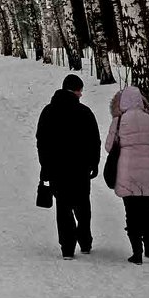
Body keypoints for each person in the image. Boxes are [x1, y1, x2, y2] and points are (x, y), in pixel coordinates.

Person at [36, 74, 101, 260]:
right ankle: (85, 242)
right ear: (77, 90)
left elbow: (42, 141)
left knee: (63, 207)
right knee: (82, 205)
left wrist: (45, 165)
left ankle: (67, 248)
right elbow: (93, 141)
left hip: (57, 168)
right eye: (81, 91)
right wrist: (94, 163)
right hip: (80, 168)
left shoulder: (48, 112)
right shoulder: (85, 112)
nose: (81, 95)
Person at [105, 85, 149, 265]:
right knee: (148, 209)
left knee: (131, 213)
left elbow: (109, 147)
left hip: (127, 171)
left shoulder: (119, 120)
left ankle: (136, 253)